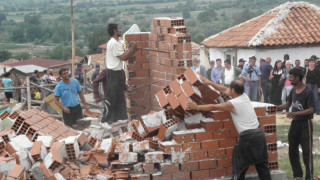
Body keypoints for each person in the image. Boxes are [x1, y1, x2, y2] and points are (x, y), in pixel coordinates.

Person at [186, 78, 271, 180]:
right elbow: (224, 89)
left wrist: (196, 107)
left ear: (233, 90)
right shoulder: (245, 96)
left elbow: (214, 106)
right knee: (263, 168)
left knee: (239, 169)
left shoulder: (232, 103)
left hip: (248, 138)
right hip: (260, 136)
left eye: (230, 89)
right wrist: (209, 83)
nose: (228, 90)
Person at [277, 68, 314, 180]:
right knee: (292, 151)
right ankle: (297, 175)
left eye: (291, 77)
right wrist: (276, 107)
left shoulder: (308, 91)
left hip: (305, 125)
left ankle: (309, 176)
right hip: (295, 125)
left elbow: (311, 109)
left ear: (297, 78)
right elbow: (288, 104)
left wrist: (295, 113)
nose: (289, 79)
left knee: (307, 153)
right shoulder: (293, 90)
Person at [105, 23, 139, 123]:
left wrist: (132, 51)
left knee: (119, 97)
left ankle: (120, 120)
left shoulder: (117, 42)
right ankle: (112, 121)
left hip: (117, 73)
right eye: (119, 28)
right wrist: (132, 49)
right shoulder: (113, 43)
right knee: (115, 99)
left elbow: (125, 54)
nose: (120, 30)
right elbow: (124, 57)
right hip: (113, 74)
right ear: (115, 31)